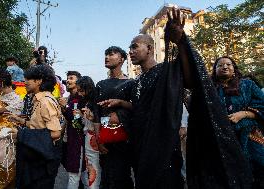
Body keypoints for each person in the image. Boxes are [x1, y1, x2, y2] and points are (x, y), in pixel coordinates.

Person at [99, 8, 253, 189]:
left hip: (163, 148)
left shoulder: (166, 71)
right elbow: (140, 107)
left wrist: (180, 41)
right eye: (130, 48)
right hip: (141, 146)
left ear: (149, 48)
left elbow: (189, 80)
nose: (130, 51)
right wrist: (121, 103)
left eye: (134, 46)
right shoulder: (137, 80)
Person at [212, 56, 264, 188]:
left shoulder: (247, 85)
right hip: (221, 140)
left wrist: (243, 114)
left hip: (250, 137)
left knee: (258, 170)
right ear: (215, 70)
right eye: (220, 65)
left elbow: (263, 104)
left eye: (228, 64)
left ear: (234, 69)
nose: (225, 67)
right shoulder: (210, 90)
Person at [8, 65, 62, 189]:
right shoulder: (38, 99)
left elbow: (55, 133)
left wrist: (21, 135)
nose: (24, 82)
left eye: (28, 79)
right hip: (37, 155)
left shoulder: (45, 101)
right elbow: (39, 126)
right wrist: (21, 121)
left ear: (39, 81)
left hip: (42, 160)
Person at [96, 46, 134, 189]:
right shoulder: (100, 84)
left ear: (122, 59)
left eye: (111, 54)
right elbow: (97, 115)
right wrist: (99, 140)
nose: (107, 57)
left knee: (122, 176)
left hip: (124, 139)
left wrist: (120, 107)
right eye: (106, 54)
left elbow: (137, 108)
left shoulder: (131, 83)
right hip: (105, 140)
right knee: (106, 176)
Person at [58, 71, 85, 189]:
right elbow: (67, 121)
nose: (68, 81)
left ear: (78, 81)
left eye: (71, 78)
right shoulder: (68, 99)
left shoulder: (81, 99)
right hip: (68, 139)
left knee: (76, 173)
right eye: (67, 78)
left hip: (79, 141)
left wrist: (65, 108)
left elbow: (77, 123)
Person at [75, 76, 101, 189]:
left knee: (93, 168)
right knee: (92, 167)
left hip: (93, 137)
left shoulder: (95, 102)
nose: (80, 94)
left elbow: (96, 120)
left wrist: (90, 118)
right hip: (90, 137)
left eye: (81, 91)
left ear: (89, 88)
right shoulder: (88, 101)